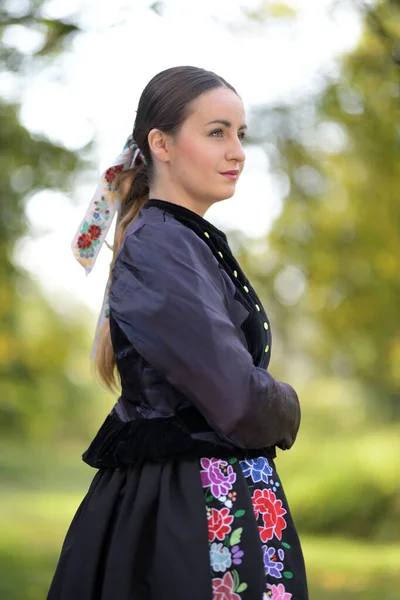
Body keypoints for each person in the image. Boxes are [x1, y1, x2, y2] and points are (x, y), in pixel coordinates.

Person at [47, 65, 309, 600]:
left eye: (241, 134)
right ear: (161, 143)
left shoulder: (183, 241)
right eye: (216, 132)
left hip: (209, 503)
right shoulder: (161, 245)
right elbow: (236, 398)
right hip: (184, 518)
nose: (237, 151)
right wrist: (288, 404)